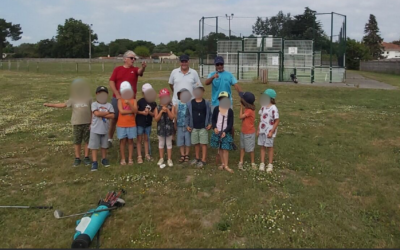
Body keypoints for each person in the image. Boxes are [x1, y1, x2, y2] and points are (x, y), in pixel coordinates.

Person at [43, 79, 92, 167]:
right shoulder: (73, 99)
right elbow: (63, 105)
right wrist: (50, 104)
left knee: (87, 141)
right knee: (77, 141)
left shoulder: (89, 98)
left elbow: (92, 110)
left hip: (87, 123)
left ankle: (86, 157)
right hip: (77, 123)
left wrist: (92, 122)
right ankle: (77, 158)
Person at [108, 50, 147, 147]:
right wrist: (117, 94)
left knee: (130, 118)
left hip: (130, 100)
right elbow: (112, 82)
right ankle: (109, 139)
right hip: (117, 99)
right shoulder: (118, 69)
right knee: (115, 118)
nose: (133, 60)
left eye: (134, 58)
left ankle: (130, 140)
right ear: (125, 59)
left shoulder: (135, 69)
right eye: (131, 58)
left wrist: (143, 67)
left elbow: (140, 72)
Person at [186, 83, 212, 168]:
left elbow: (210, 114)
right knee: (196, 143)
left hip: (203, 127)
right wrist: (187, 125)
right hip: (194, 127)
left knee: (203, 143)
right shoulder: (190, 103)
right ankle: (197, 158)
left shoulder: (206, 103)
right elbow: (187, 115)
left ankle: (203, 159)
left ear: (203, 92)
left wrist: (210, 123)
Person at [88, 86, 115, 171]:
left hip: (105, 129)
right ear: (97, 94)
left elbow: (113, 115)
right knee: (94, 147)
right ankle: (94, 162)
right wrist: (107, 113)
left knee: (104, 146)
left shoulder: (109, 105)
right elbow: (96, 113)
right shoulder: (94, 104)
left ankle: (104, 159)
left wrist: (102, 113)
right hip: (95, 129)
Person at [210, 91, 235, 173]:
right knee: (220, 148)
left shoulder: (230, 111)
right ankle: (222, 163)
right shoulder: (216, 109)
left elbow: (231, 123)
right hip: (217, 131)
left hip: (225, 132)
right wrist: (214, 127)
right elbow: (213, 120)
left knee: (225, 149)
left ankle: (226, 165)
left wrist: (225, 131)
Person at [257, 89, 280, 173]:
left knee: (270, 147)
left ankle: (270, 164)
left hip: (269, 132)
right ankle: (262, 163)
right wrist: (258, 129)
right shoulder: (263, 106)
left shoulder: (274, 108)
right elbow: (260, 119)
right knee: (262, 147)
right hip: (262, 131)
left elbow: (277, 120)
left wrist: (271, 131)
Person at [117, 82, 137, 166]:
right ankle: (123, 158)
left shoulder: (133, 100)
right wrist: (131, 111)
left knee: (130, 141)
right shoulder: (119, 100)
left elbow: (135, 111)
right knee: (123, 142)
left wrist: (129, 104)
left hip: (131, 124)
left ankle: (130, 158)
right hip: (121, 124)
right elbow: (121, 111)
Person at [136, 83, 157, 163]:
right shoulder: (140, 101)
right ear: (143, 93)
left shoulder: (153, 103)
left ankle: (147, 154)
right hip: (140, 123)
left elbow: (154, 114)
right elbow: (136, 111)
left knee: (146, 139)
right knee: (139, 139)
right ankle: (139, 156)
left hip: (148, 124)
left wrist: (149, 113)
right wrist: (142, 112)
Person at [154, 88, 175, 168]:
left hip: (169, 128)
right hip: (161, 129)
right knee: (161, 143)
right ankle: (161, 158)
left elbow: (172, 117)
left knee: (169, 143)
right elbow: (156, 119)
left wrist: (168, 111)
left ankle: (169, 159)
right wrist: (161, 112)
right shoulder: (157, 108)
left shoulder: (171, 107)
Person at [238, 92, 257, 171]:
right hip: (244, 131)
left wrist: (241, 107)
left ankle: (253, 162)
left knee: (250, 149)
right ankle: (241, 161)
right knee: (242, 147)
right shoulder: (248, 109)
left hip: (249, 133)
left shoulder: (249, 111)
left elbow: (240, 117)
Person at [175, 88, 192, 164]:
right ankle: (182, 154)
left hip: (187, 126)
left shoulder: (189, 104)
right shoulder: (177, 104)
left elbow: (191, 115)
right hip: (179, 125)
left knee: (187, 140)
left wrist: (190, 125)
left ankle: (187, 154)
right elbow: (175, 115)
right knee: (180, 140)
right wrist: (175, 124)